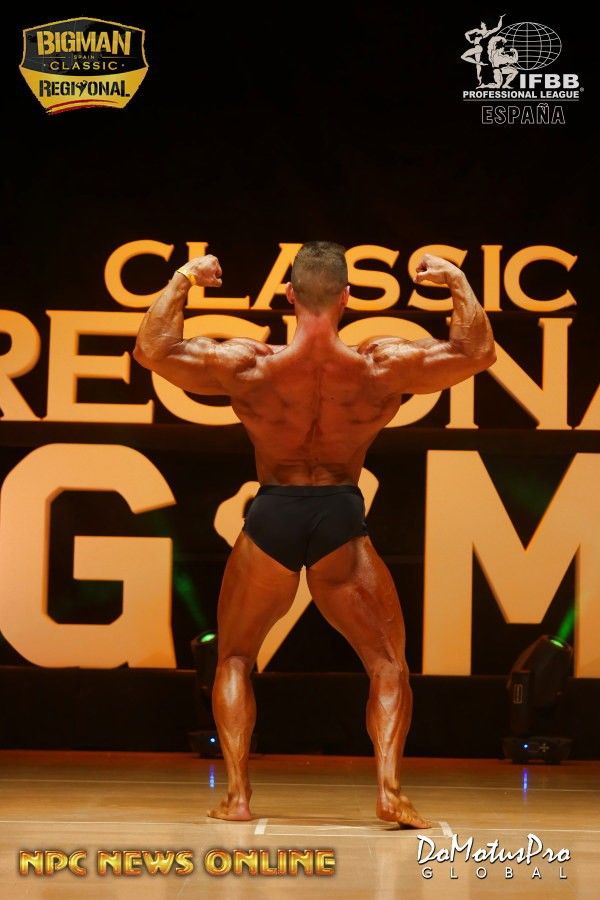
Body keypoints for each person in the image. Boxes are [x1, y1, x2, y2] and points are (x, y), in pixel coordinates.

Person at [134, 243, 496, 828]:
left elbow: (152, 350)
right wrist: (457, 282)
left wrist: (183, 278)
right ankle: (389, 791)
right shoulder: (380, 367)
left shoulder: (250, 365)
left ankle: (237, 797)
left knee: (234, 657)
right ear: (347, 297)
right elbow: (476, 353)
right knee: (387, 665)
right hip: (338, 517)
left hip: (272, 515)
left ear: (289, 295)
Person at [461, 14, 506, 85]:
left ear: (484, 24)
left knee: (463, 56)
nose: (480, 24)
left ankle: (480, 64)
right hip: (478, 48)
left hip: (478, 47)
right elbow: (466, 34)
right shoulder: (483, 31)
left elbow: (498, 27)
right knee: (477, 66)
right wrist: (469, 40)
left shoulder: (480, 31)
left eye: (482, 23)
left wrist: (501, 18)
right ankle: (479, 80)